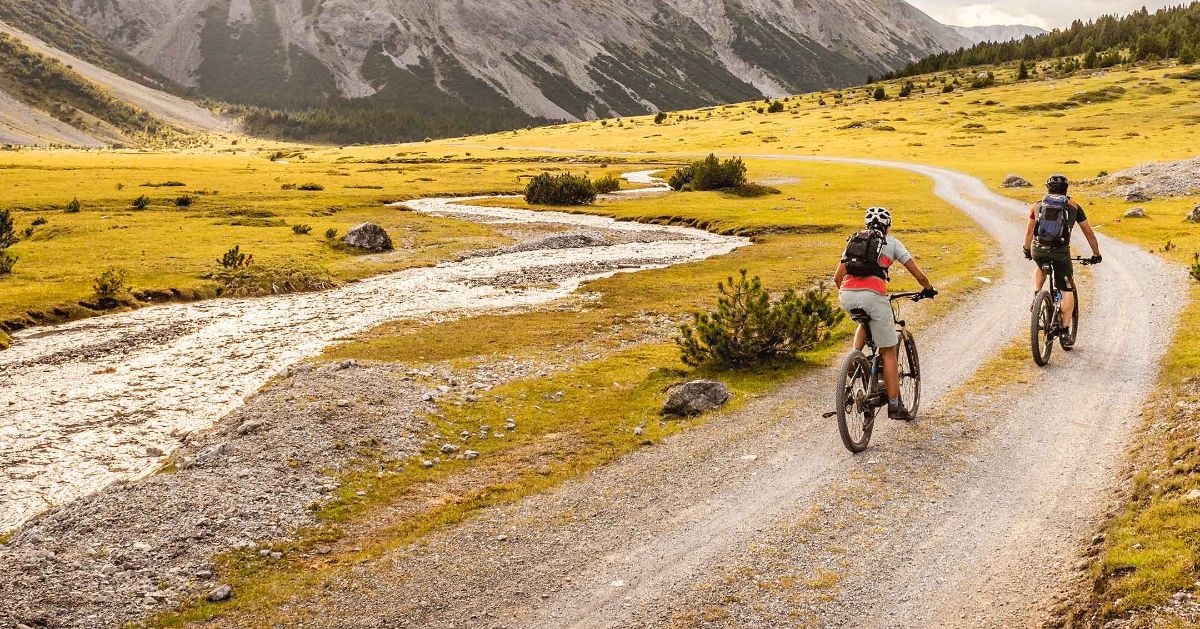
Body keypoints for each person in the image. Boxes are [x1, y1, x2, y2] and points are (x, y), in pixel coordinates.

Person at [834, 207, 937, 421]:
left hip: (847, 295)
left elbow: (837, 278)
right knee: (888, 351)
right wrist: (928, 288)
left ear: (867, 225)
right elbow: (918, 275)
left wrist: (853, 294)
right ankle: (894, 405)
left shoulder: (854, 241)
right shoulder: (892, 243)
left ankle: (855, 359)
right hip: (873, 297)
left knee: (865, 321)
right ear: (887, 227)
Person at [1022, 174, 1102, 349]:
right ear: (1066, 190)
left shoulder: (1037, 205)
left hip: (1039, 250)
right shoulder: (1074, 206)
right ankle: (1065, 332)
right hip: (1060, 253)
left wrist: (1027, 249)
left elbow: (1029, 232)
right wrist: (1096, 254)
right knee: (1066, 289)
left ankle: (1037, 295)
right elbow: (1089, 233)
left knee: (1039, 266)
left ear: (1048, 189)